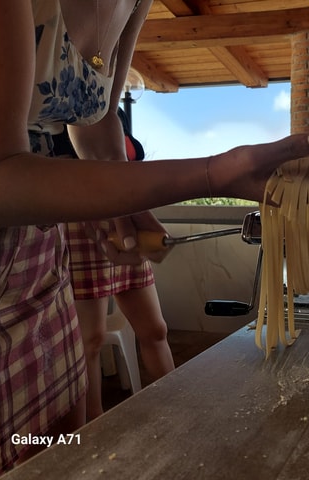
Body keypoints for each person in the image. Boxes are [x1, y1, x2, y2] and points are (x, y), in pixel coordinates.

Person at [0, 1, 309, 477]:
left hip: (39, 265)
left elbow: (97, 121)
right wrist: (213, 174)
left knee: (53, 448)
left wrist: (123, 206)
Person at [55, 115, 174, 421]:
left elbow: (126, 163)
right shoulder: (61, 111)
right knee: (90, 340)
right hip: (80, 225)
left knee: (155, 329)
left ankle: (179, 409)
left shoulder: (110, 108)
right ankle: (93, 430)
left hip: (126, 219)